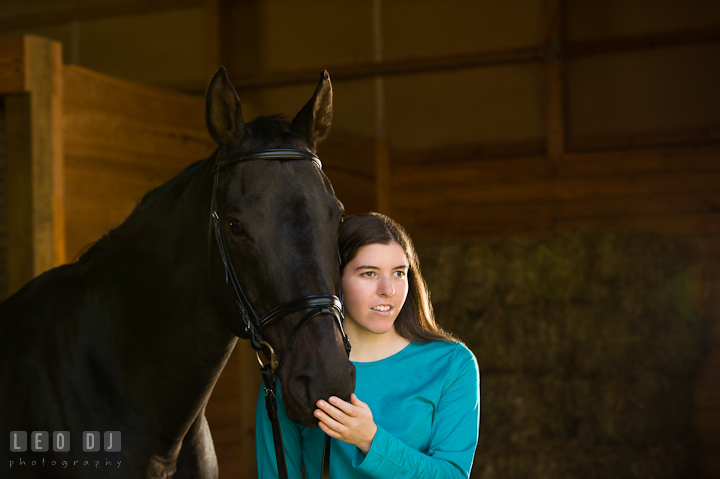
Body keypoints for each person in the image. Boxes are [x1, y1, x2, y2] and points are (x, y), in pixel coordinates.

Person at [256, 213, 480, 478]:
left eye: (399, 273)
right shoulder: (296, 374)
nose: (388, 290)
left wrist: (369, 440)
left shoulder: (452, 364)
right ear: (333, 279)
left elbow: (452, 475)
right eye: (369, 273)